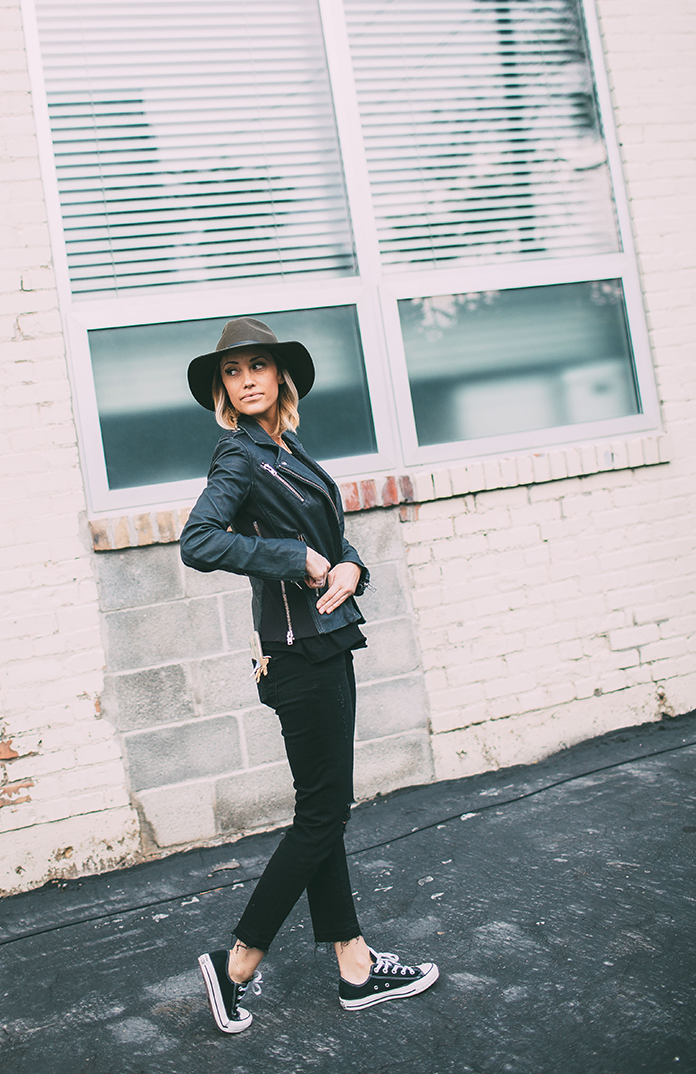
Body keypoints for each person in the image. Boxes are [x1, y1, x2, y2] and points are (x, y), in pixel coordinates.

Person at [180, 317, 439, 1034]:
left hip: (322, 645)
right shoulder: (237, 456)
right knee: (322, 813)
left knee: (323, 811)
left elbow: (330, 541)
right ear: (223, 390)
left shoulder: (283, 447)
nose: (247, 379)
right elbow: (199, 541)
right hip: (298, 655)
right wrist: (294, 559)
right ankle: (234, 963)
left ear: (280, 376)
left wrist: (353, 563)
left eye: (258, 365)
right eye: (233, 372)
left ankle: (354, 966)